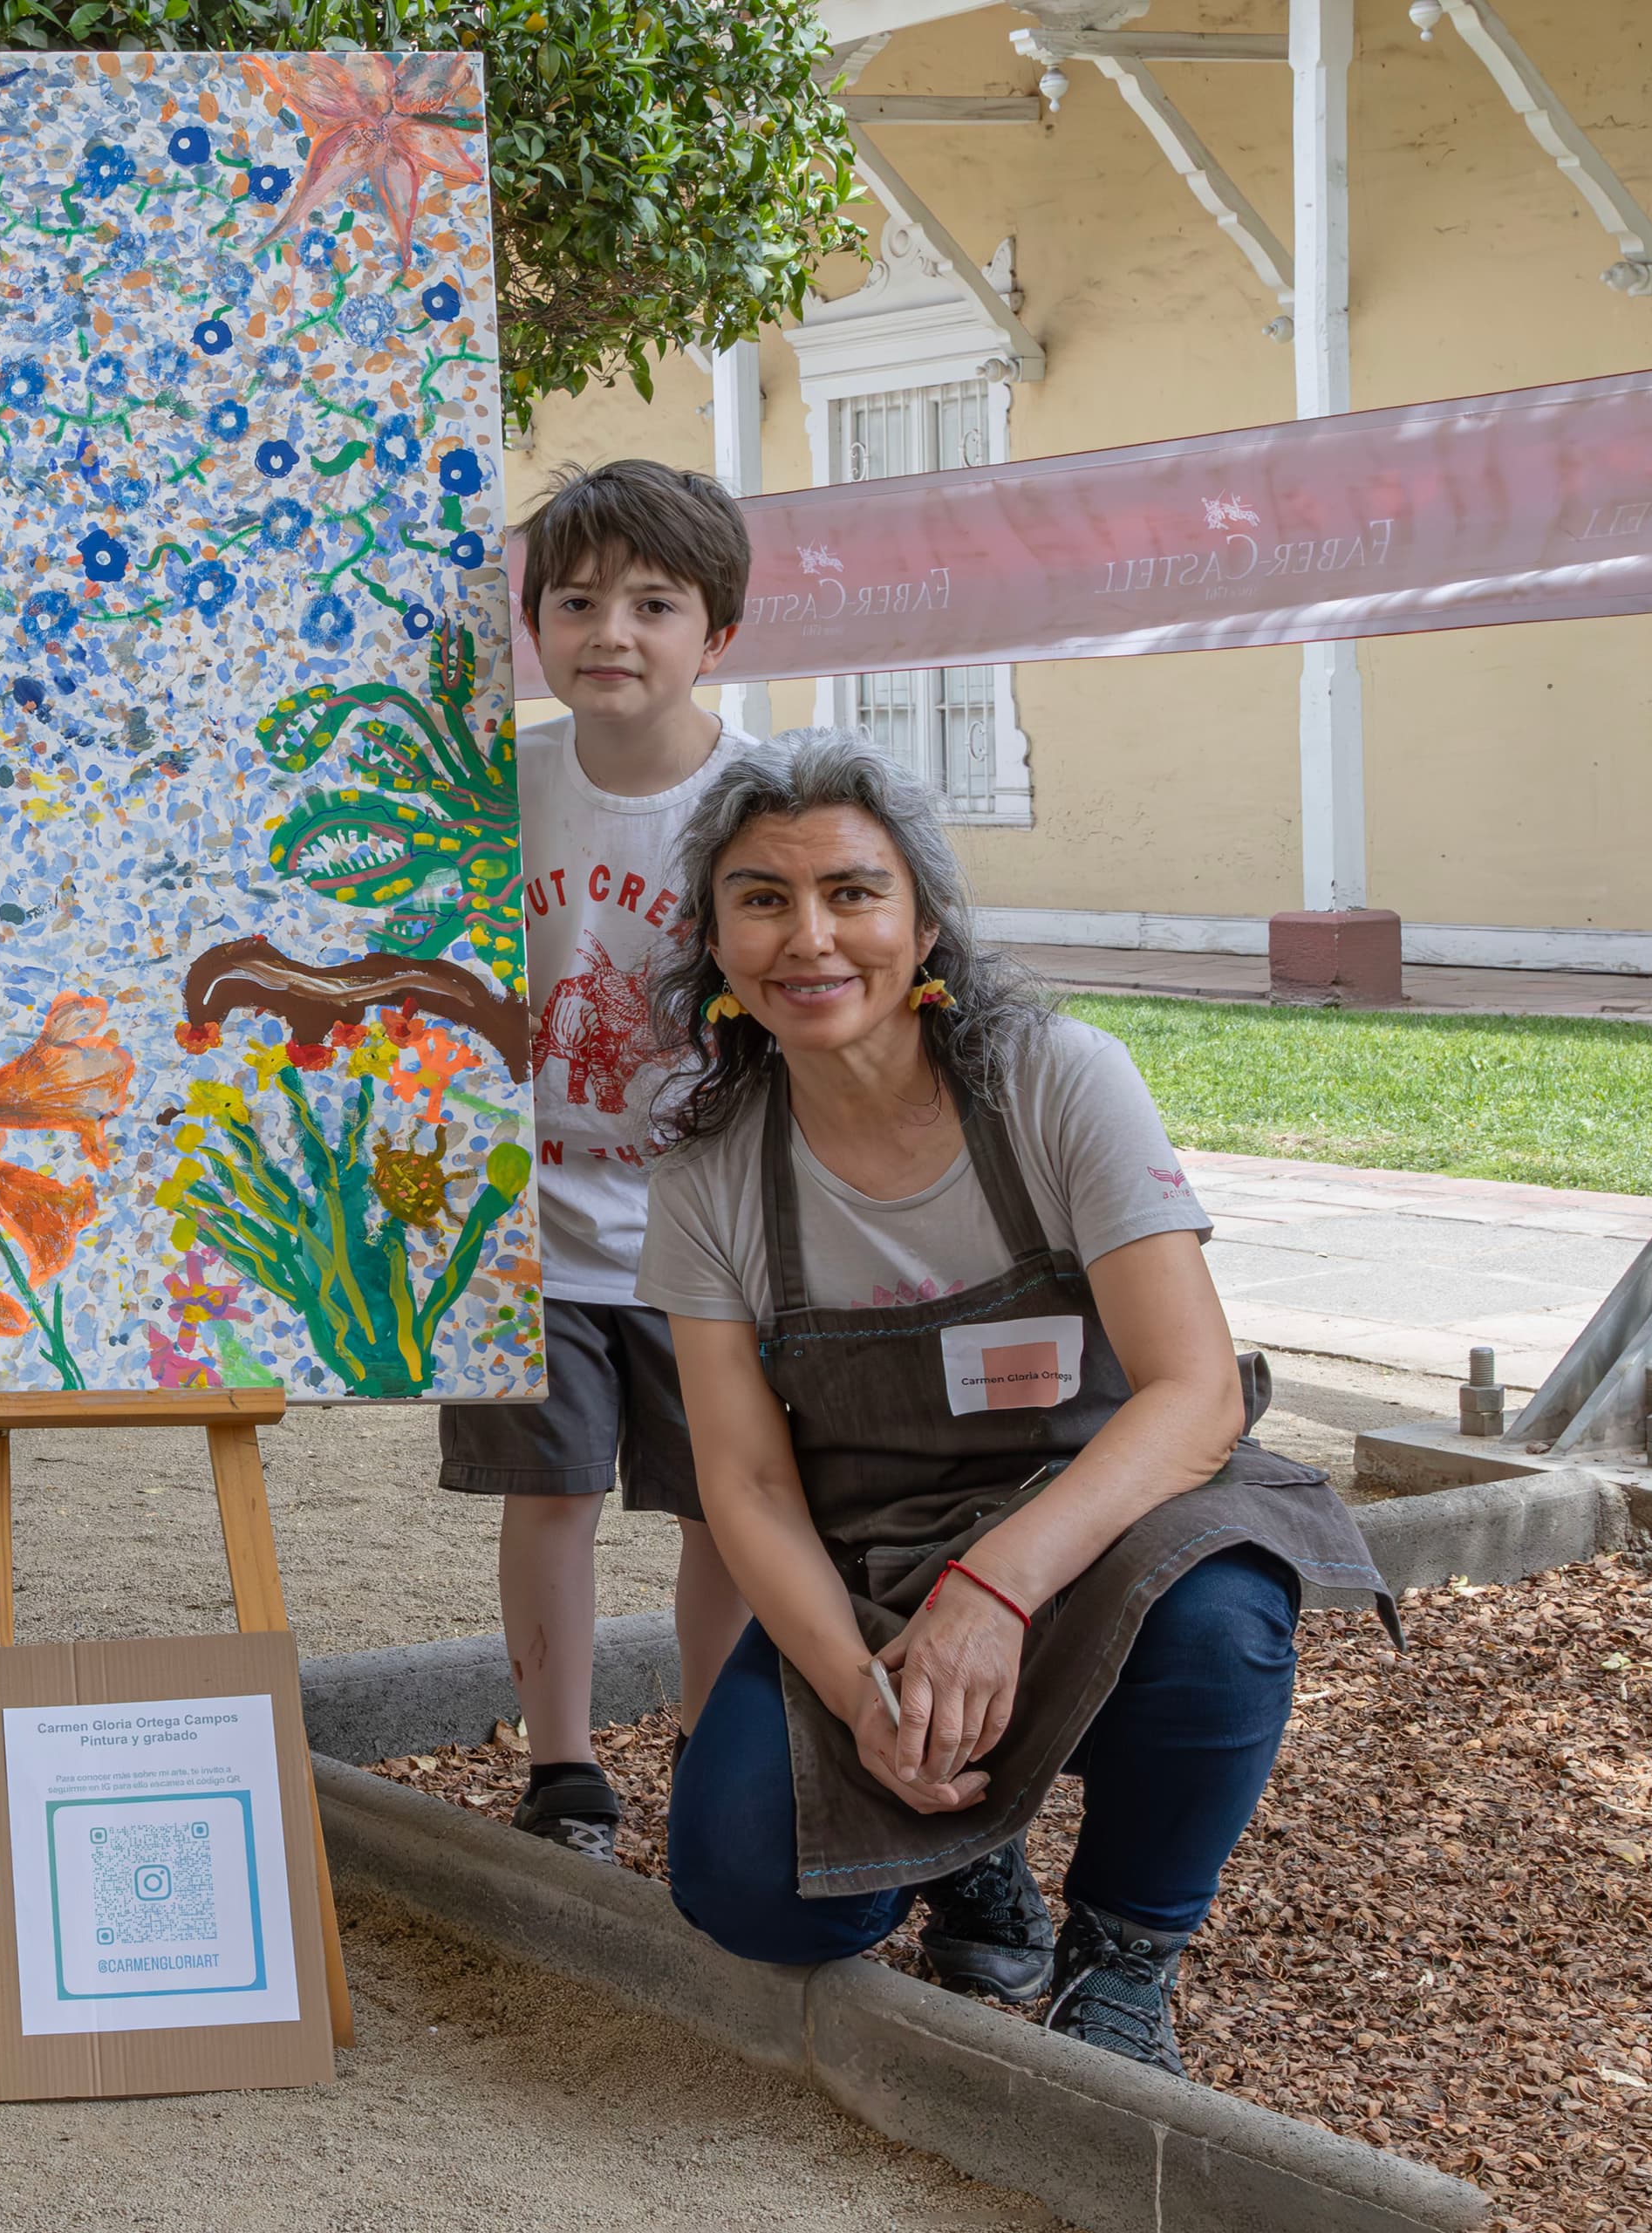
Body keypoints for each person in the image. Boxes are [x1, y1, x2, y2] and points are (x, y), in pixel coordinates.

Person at [643, 733, 1392, 2074]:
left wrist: (990, 1596)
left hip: (1102, 1525)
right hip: (872, 1562)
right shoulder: (708, 1180)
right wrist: (864, 1693)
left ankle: (1119, 1957)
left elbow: (1195, 1393)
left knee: (1225, 1619)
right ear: (714, 938)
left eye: (852, 893)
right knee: (751, 1892)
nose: (809, 939)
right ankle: (967, 1865)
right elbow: (745, 1486)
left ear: (925, 922)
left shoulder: (1057, 1079)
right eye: (761, 898)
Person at [433, 459, 759, 1859]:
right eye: (575, 601)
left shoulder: (766, 798)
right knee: (549, 1489)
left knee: (726, 1505)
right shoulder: (495, 784)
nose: (609, 631)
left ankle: (714, 1743)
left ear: (718, 632)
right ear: (534, 624)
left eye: (653, 602)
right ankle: (561, 1765)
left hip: (714, 1227)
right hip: (535, 1226)